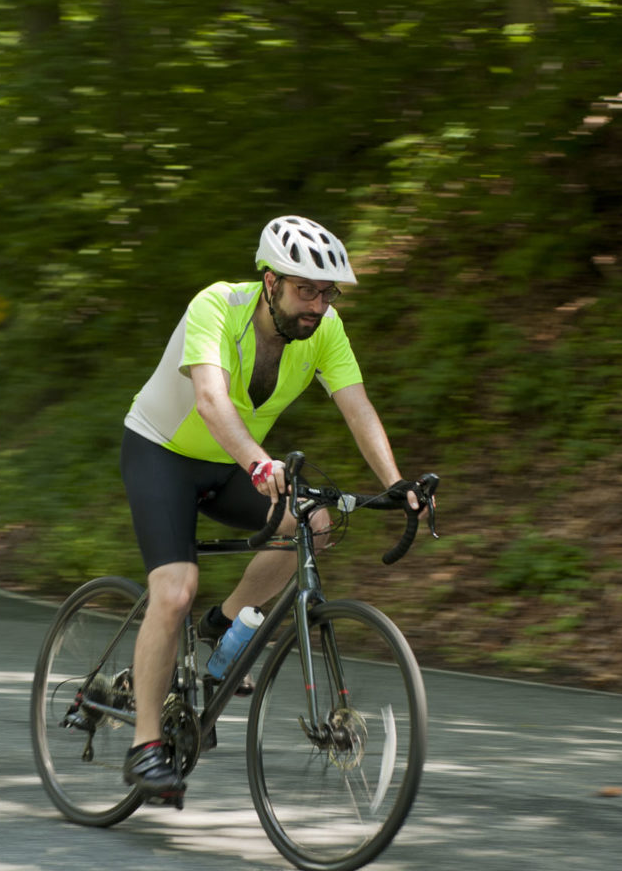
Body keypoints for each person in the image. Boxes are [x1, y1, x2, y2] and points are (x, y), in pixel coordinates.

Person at [118, 215, 423, 799]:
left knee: (314, 522)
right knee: (175, 590)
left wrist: (397, 481)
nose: (317, 304)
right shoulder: (217, 306)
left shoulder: (326, 329)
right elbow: (209, 399)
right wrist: (260, 463)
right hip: (162, 451)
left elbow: (357, 406)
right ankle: (146, 745)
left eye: (326, 292)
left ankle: (226, 622)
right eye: (304, 289)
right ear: (269, 282)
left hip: (232, 460)